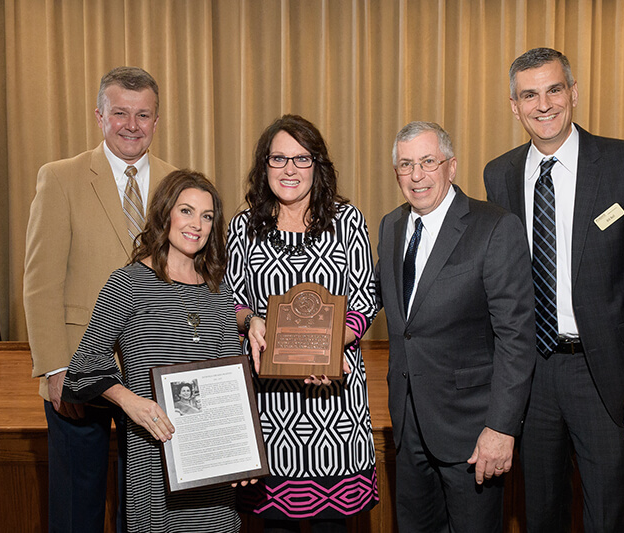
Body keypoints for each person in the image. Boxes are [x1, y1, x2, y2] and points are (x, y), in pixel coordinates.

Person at [483, 47, 624, 532]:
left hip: (606, 378)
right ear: (514, 106)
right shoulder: (499, 174)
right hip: (532, 376)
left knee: (611, 517)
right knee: (540, 515)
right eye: (530, 95)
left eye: (554, 90)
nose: (543, 104)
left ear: (573, 93)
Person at [23, 66, 175, 532]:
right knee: (76, 505)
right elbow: (40, 282)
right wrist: (54, 368)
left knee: (145, 507)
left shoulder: (177, 183)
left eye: (143, 115)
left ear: (156, 120)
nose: (132, 125)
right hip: (78, 366)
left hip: (153, 371)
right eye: (120, 113)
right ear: (99, 116)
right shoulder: (60, 177)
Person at [375, 121, 536, 532]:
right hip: (409, 426)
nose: (416, 175)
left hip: (472, 433)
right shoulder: (391, 226)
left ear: (452, 166)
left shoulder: (495, 227)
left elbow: (516, 338)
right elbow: (385, 309)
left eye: (428, 162)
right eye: (406, 165)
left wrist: (500, 427)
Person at [63, 170, 244, 532]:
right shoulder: (128, 282)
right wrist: (130, 401)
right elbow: (84, 365)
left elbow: (231, 379)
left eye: (207, 216)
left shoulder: (219, 292)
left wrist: (243, 452)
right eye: (186, 211)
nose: (197, 225)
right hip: (153, 452)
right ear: (165, 214)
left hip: (212, 459)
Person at [226, 114, 379, 532]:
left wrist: (326, 350)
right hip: (270, 409)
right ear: (265, 165)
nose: (289, 169)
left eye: (301, 158)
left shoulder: (347, 221)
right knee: (275, 526)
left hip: (335, 404)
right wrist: (250, 320)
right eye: (278, 158)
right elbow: (231, 299)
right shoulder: (243, 226)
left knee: (333, 526)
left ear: (317, 165)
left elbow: (364, 300)